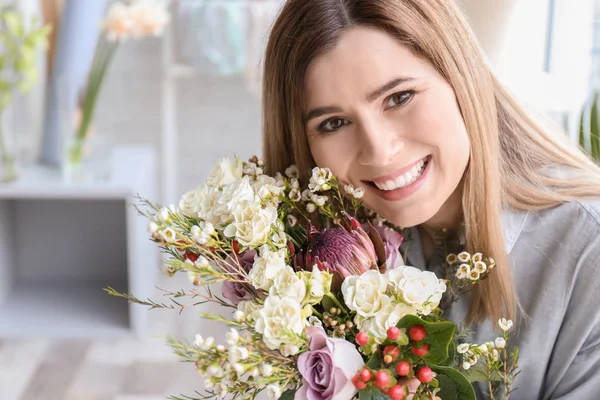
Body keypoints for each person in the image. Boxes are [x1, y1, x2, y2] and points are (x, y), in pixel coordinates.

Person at [260, 0, 600, 399]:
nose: (379, 151)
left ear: (461, 79)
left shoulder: (587, 252)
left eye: (399, 97)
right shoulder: (311, 266)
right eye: (334, 123)